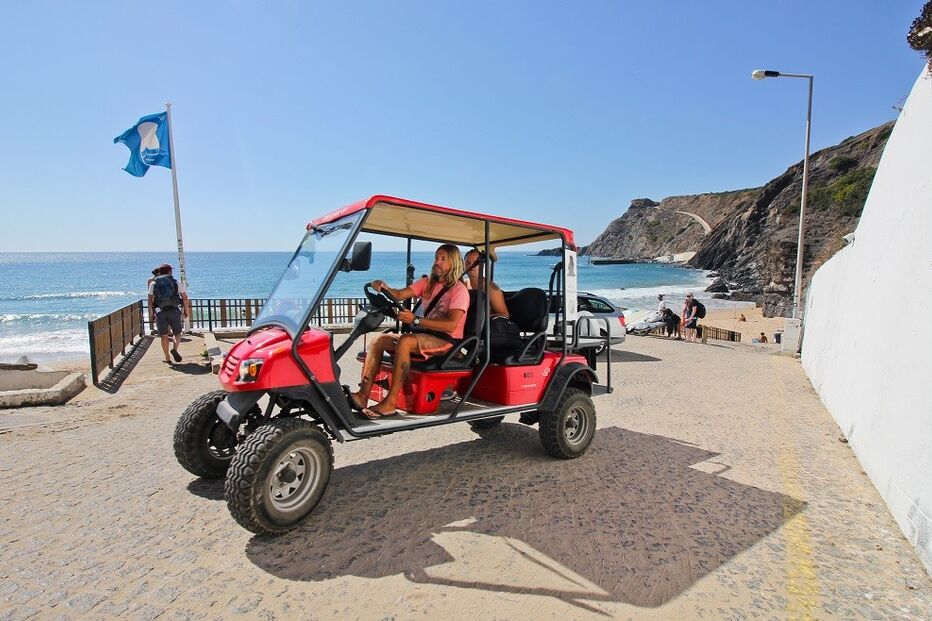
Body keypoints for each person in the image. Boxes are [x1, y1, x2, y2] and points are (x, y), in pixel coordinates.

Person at [349, 244, 469, 418]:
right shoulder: (428, 282)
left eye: (443, 259)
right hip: (424, 335)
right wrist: (383, 286)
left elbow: (451, 325)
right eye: (436, 258)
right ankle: (362, 396)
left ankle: (390, 403)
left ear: (454, 263)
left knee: (405, 341)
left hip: (446, 341)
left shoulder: (459, 290)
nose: (437, 262)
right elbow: (398, 294)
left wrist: (416, 320)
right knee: (378, 339)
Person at [148, 264, 189, 364]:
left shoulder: (153, 283)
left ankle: (167, 358)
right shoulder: (176, 282)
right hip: (174, 310)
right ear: (170, 272)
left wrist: (151, 313)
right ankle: (174, 348)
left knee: (164, 335)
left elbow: (150, 300)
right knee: (177, 332)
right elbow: (184, 298)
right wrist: (186, 311)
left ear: (160, 272)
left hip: (160, 311)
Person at [463, 248, 509, 318]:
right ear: (464, 265)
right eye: (468, 262)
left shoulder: (491, 288)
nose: (471, 265)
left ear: (482, 265)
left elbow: (505, 315)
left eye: (476, 263)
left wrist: (483, 318)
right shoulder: (464, 284)